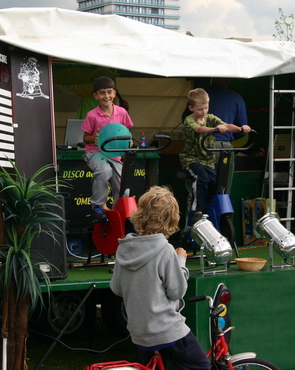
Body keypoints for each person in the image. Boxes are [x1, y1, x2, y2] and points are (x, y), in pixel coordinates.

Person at [110, 186, 210, 370]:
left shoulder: (123, 248)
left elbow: (116, 288)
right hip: (166, 330)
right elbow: (177, 291)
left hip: (139, 333)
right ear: (171, 218)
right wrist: (181, 260)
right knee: (201, 365)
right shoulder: (165, 250)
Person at [180, 88, 251, 224]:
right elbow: (199, 129)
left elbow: (226, 125)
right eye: (201, 109)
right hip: (192, 159)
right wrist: (215, 129)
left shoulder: (210, 117)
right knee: (201, 178)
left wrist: (241, 128)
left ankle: (211, 218)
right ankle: (197, 212)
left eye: (206, 107)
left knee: (215, 184)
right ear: (191, 108)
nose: (204, 111)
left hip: (208, 159)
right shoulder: (189, 120)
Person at [181, 78, 248, 193]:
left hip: (200, 147)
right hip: (224, 147)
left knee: (198, 187)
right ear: (228, 81)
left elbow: (186, 120)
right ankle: (219, 209)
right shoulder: (236, 98)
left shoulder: (198, 97)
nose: (204, 111)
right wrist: (232, 133)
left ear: (212, 80)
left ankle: (197, 209)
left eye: (206, 108)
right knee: (223, 186)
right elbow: (241, 129)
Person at [81, 76, 134, 222]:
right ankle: (98, 206)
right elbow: (85, 138)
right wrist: (95, 138)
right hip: (95, 152)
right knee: (104, 171)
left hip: (115, 154)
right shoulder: (92, 115)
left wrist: (129, 141)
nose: (106, 96)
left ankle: (118, 209)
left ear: (114, 93)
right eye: (102, 93)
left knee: (122, 182)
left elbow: (127, 132)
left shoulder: (122, 112)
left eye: (109, 92)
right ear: (96, 96)